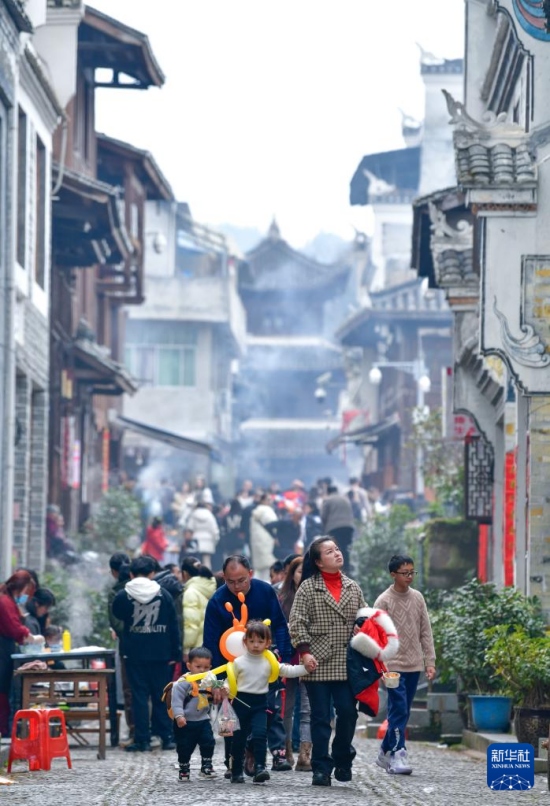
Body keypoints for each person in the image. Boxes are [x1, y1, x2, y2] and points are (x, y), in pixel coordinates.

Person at [203, 555, 293, 775]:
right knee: (229, 717)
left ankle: (253, 752)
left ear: (251, 574)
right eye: (231, 581)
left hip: (263, 666)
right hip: (231, 669)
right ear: (224, 577)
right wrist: (216, 681)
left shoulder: (265, 591)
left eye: (241, 580)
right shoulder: (217, 600)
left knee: (266, 712)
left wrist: (282, 656)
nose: (236, 586)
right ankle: (231, 762)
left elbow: (280, 625)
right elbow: (211, 643)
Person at [289, 536, 366, 787]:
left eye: (337, 549)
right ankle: (320, 768)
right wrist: (304, 652)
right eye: (330, 551)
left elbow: (365, 617)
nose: (337, 553)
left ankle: (343, 759)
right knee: (320, 718)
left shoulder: (353, 587)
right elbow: (297, 622)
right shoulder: (308, 588)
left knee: (347, 714)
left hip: (346, 662)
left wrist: (363, 627)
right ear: (319, 562)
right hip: (317, 662)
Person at [373, 554, 436, 775]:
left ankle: (384, 751)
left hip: (414, 664)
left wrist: (430, 661)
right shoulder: (384, 601)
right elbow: (377, 636)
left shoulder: (418, 598)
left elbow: (425, 631)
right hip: (392, 666)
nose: (409, 576)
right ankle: (398, 754)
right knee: (398, 708)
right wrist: (381, 665)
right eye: (405, 572)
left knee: (403, 711)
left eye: (412, 572)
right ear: (393, 575)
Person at [112, 555, 182, 753]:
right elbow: (173, 625)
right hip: (161, 654)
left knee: (139, 697)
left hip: (134, 654)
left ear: (132, 573)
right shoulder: (164, 594)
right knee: (162, 695)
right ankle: (166, 737)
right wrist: (175, 653)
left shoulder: (123, 595)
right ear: (153, 573)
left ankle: (142, 738)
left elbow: (117, 614)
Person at [225, 620, 310, 784]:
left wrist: (305, 668)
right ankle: (236, 771)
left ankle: (260, 768)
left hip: (260, 703)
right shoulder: (238, 662)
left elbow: (287, 670)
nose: (255, 645)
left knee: (260, 735)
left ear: (268, 643)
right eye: (251, 641)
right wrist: (225, 688)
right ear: (245, 642)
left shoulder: (269, 662)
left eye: (260, 641)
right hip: (240, 702)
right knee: (239, 738)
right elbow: (230, 680)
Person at [278, 556, 312, 771]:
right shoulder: (281, 598)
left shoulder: (316, 595)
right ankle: (285, 750)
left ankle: (305, 755)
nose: (303, 576)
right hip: (288, 659)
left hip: (310, 659)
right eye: (299, 572)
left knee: (307, 709)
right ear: (292, 574)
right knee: (286, 707)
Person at [0, 570, 42, 736]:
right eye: (25, 591)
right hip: (2, 649)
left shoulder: (8, 600)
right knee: (2, 693)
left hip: (6, 648)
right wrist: (30, 636)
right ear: (20, 588)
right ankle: (3, 731)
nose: (25, 596)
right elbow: (14, 628)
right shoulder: (4, 602)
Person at [172, 646, 217, 782]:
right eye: (198, 667)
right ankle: (184, 768)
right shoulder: (183, 683)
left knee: (208, 742)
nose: (202, 670)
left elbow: (215, 695)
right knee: (184, 746)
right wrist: (179, 716)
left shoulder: (209, 681)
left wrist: (219, 691)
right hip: (185, 721)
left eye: (206, 667)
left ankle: (206, 766)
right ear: (189, 666)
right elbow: (177, 701)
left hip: (203, 719)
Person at [181, 557, 216, 660]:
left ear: (185, 573)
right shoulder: (212, 587)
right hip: (209, 644)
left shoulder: (190, 592)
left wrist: (186, 650)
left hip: (195, 650)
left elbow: (191, 624)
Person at [320, 485, 355, 571]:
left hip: (334, 528)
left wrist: (324, 529)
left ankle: (339, 568)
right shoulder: (345, 499)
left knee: (336, 548)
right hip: (348, 527)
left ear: (328, 492)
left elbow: (323, 516)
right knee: (346, 548)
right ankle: (346, 567)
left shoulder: (327, 500)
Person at [249, 493, 278, 581]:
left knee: (259, 568)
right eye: (268, 500)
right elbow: (274, 525)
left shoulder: (256, 511)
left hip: (257, 543)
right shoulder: (267, 510)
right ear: (263, 500)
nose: (270, 502)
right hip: (267, 542)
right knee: (269, 567)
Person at [186, 502, 220, 569]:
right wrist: (215, 541)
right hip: (208, 541)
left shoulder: (194, 514)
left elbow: (189, 528)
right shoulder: (210, 515)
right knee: (207, 561)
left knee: (196, 561)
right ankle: (207, 576)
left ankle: (196, 575)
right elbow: (214, 530)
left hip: (196, 540)